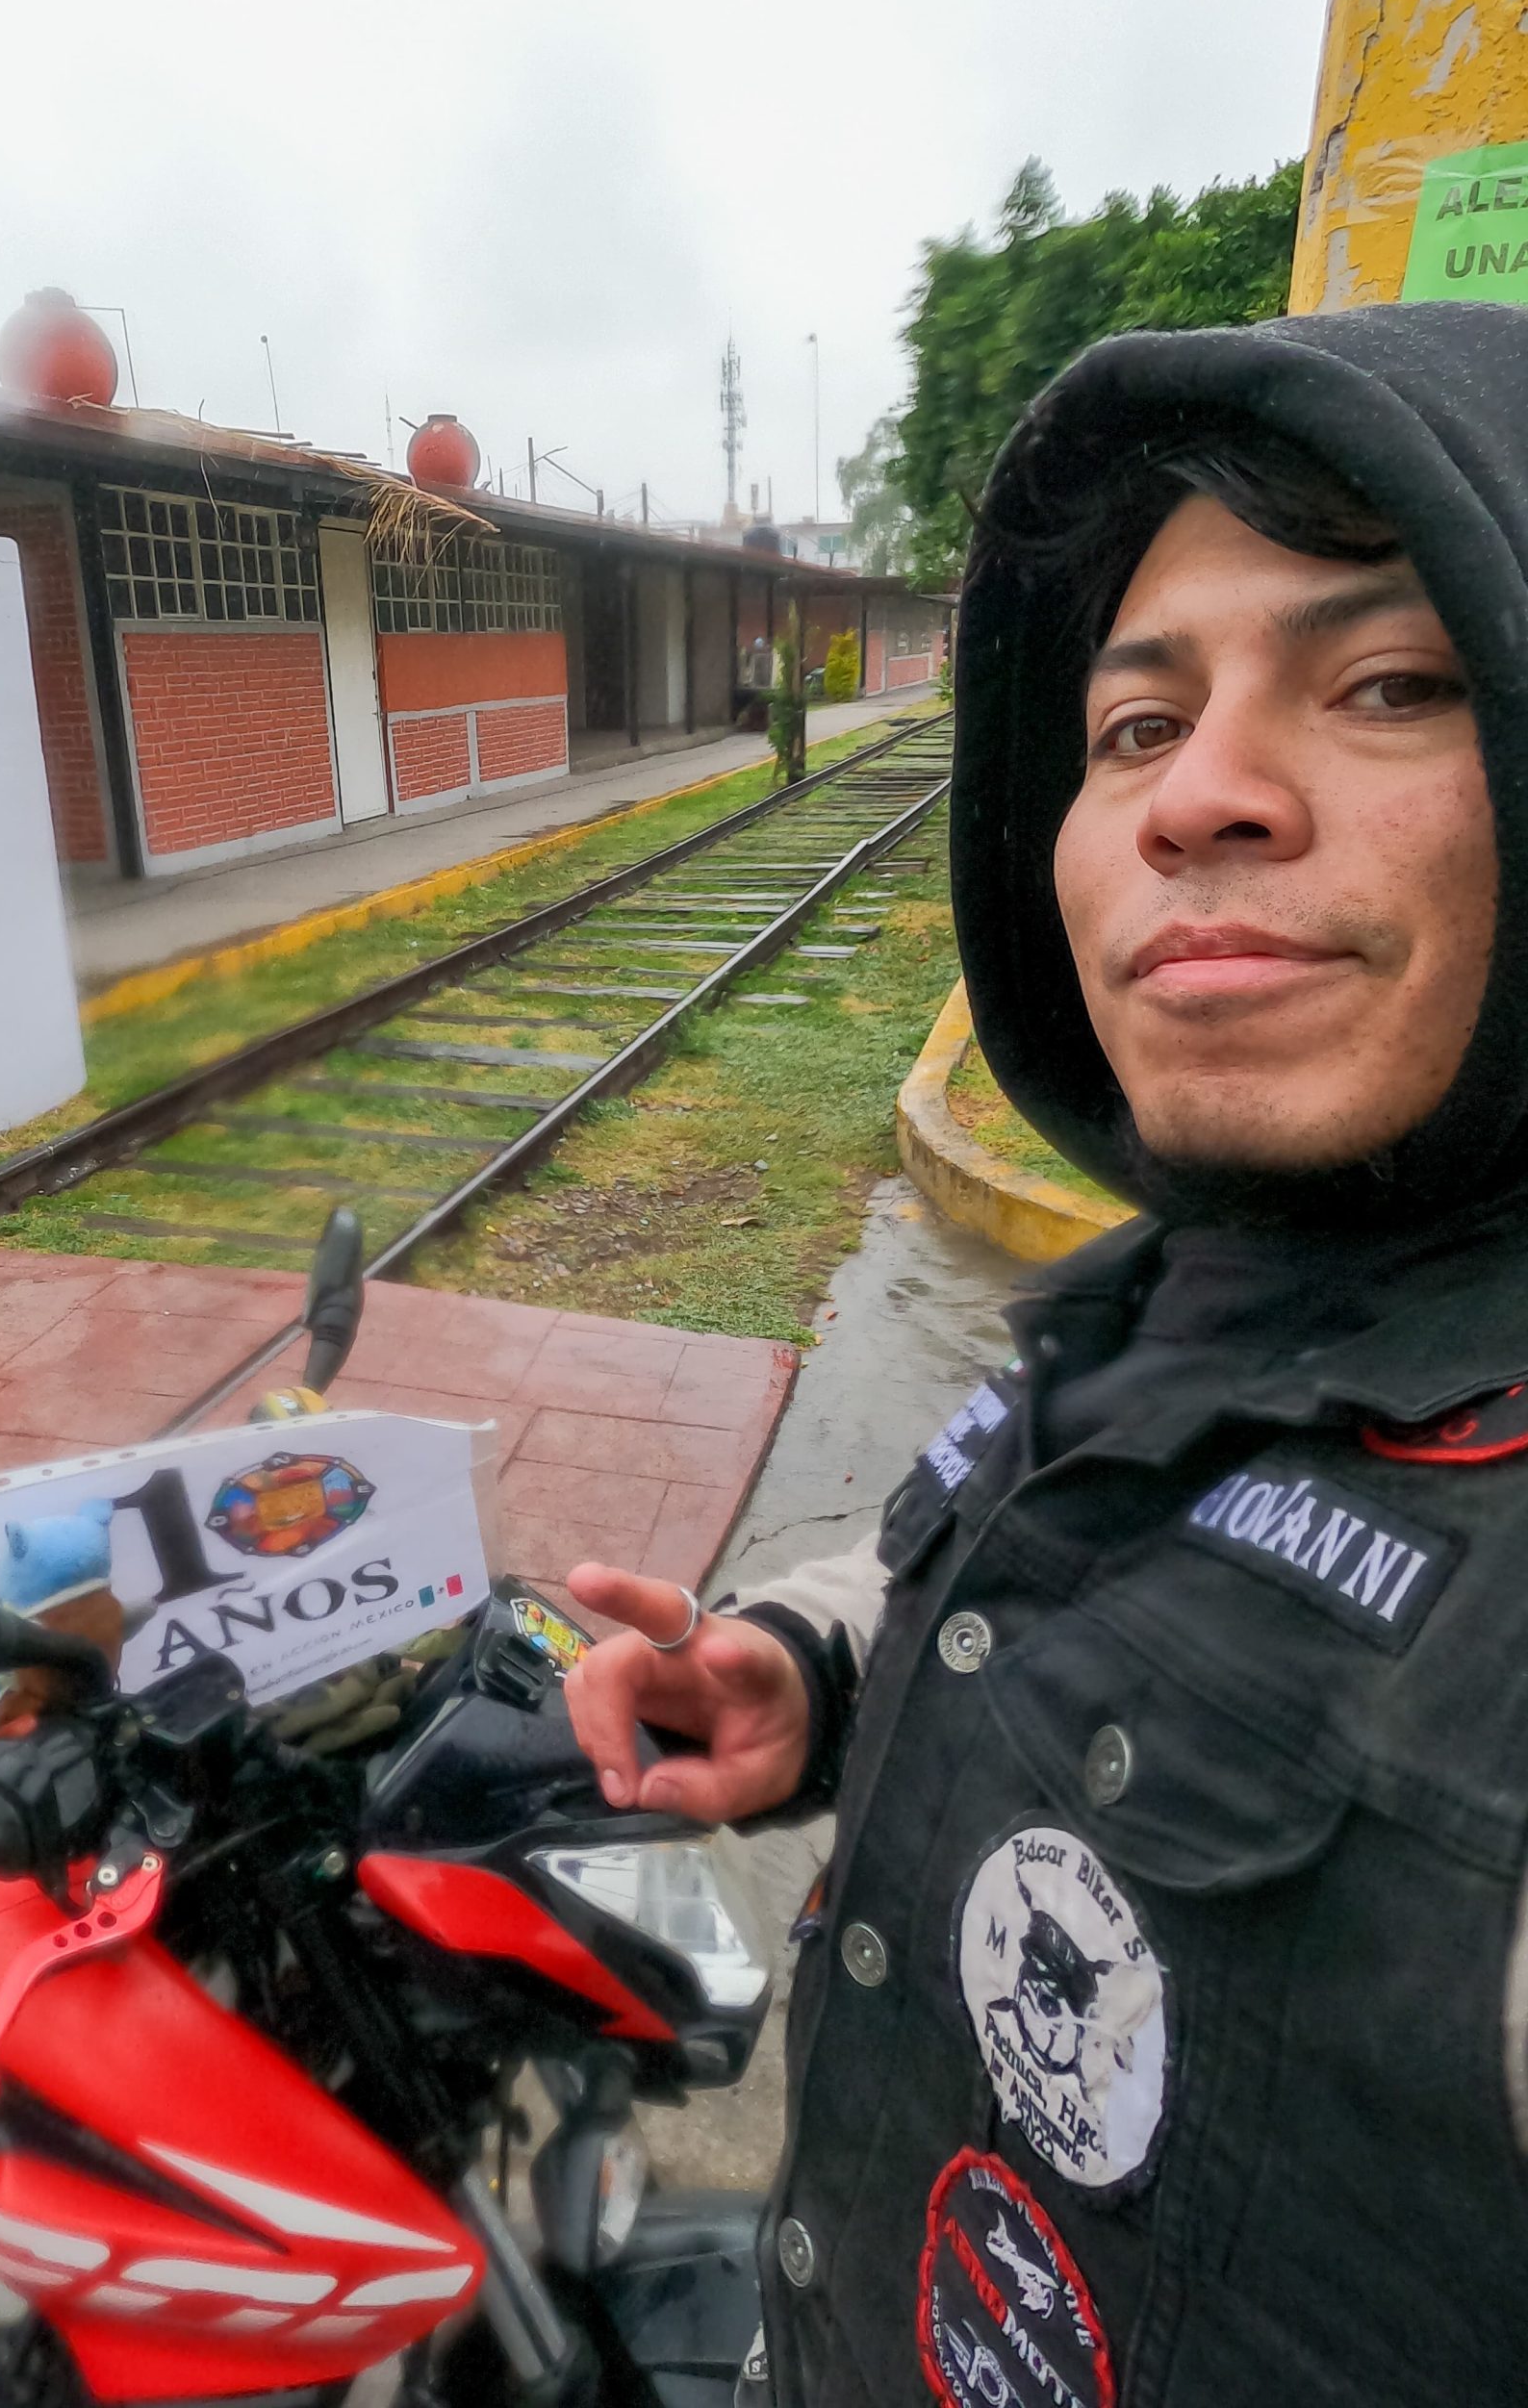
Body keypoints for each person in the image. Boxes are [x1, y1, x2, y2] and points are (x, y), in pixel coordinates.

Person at [560, 300, 1528, 2406]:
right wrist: (807, 1664)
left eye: (1389, 682)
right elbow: (1077, 1534)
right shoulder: (1190, 1273)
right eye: (1128, 727)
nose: (1203, 801)